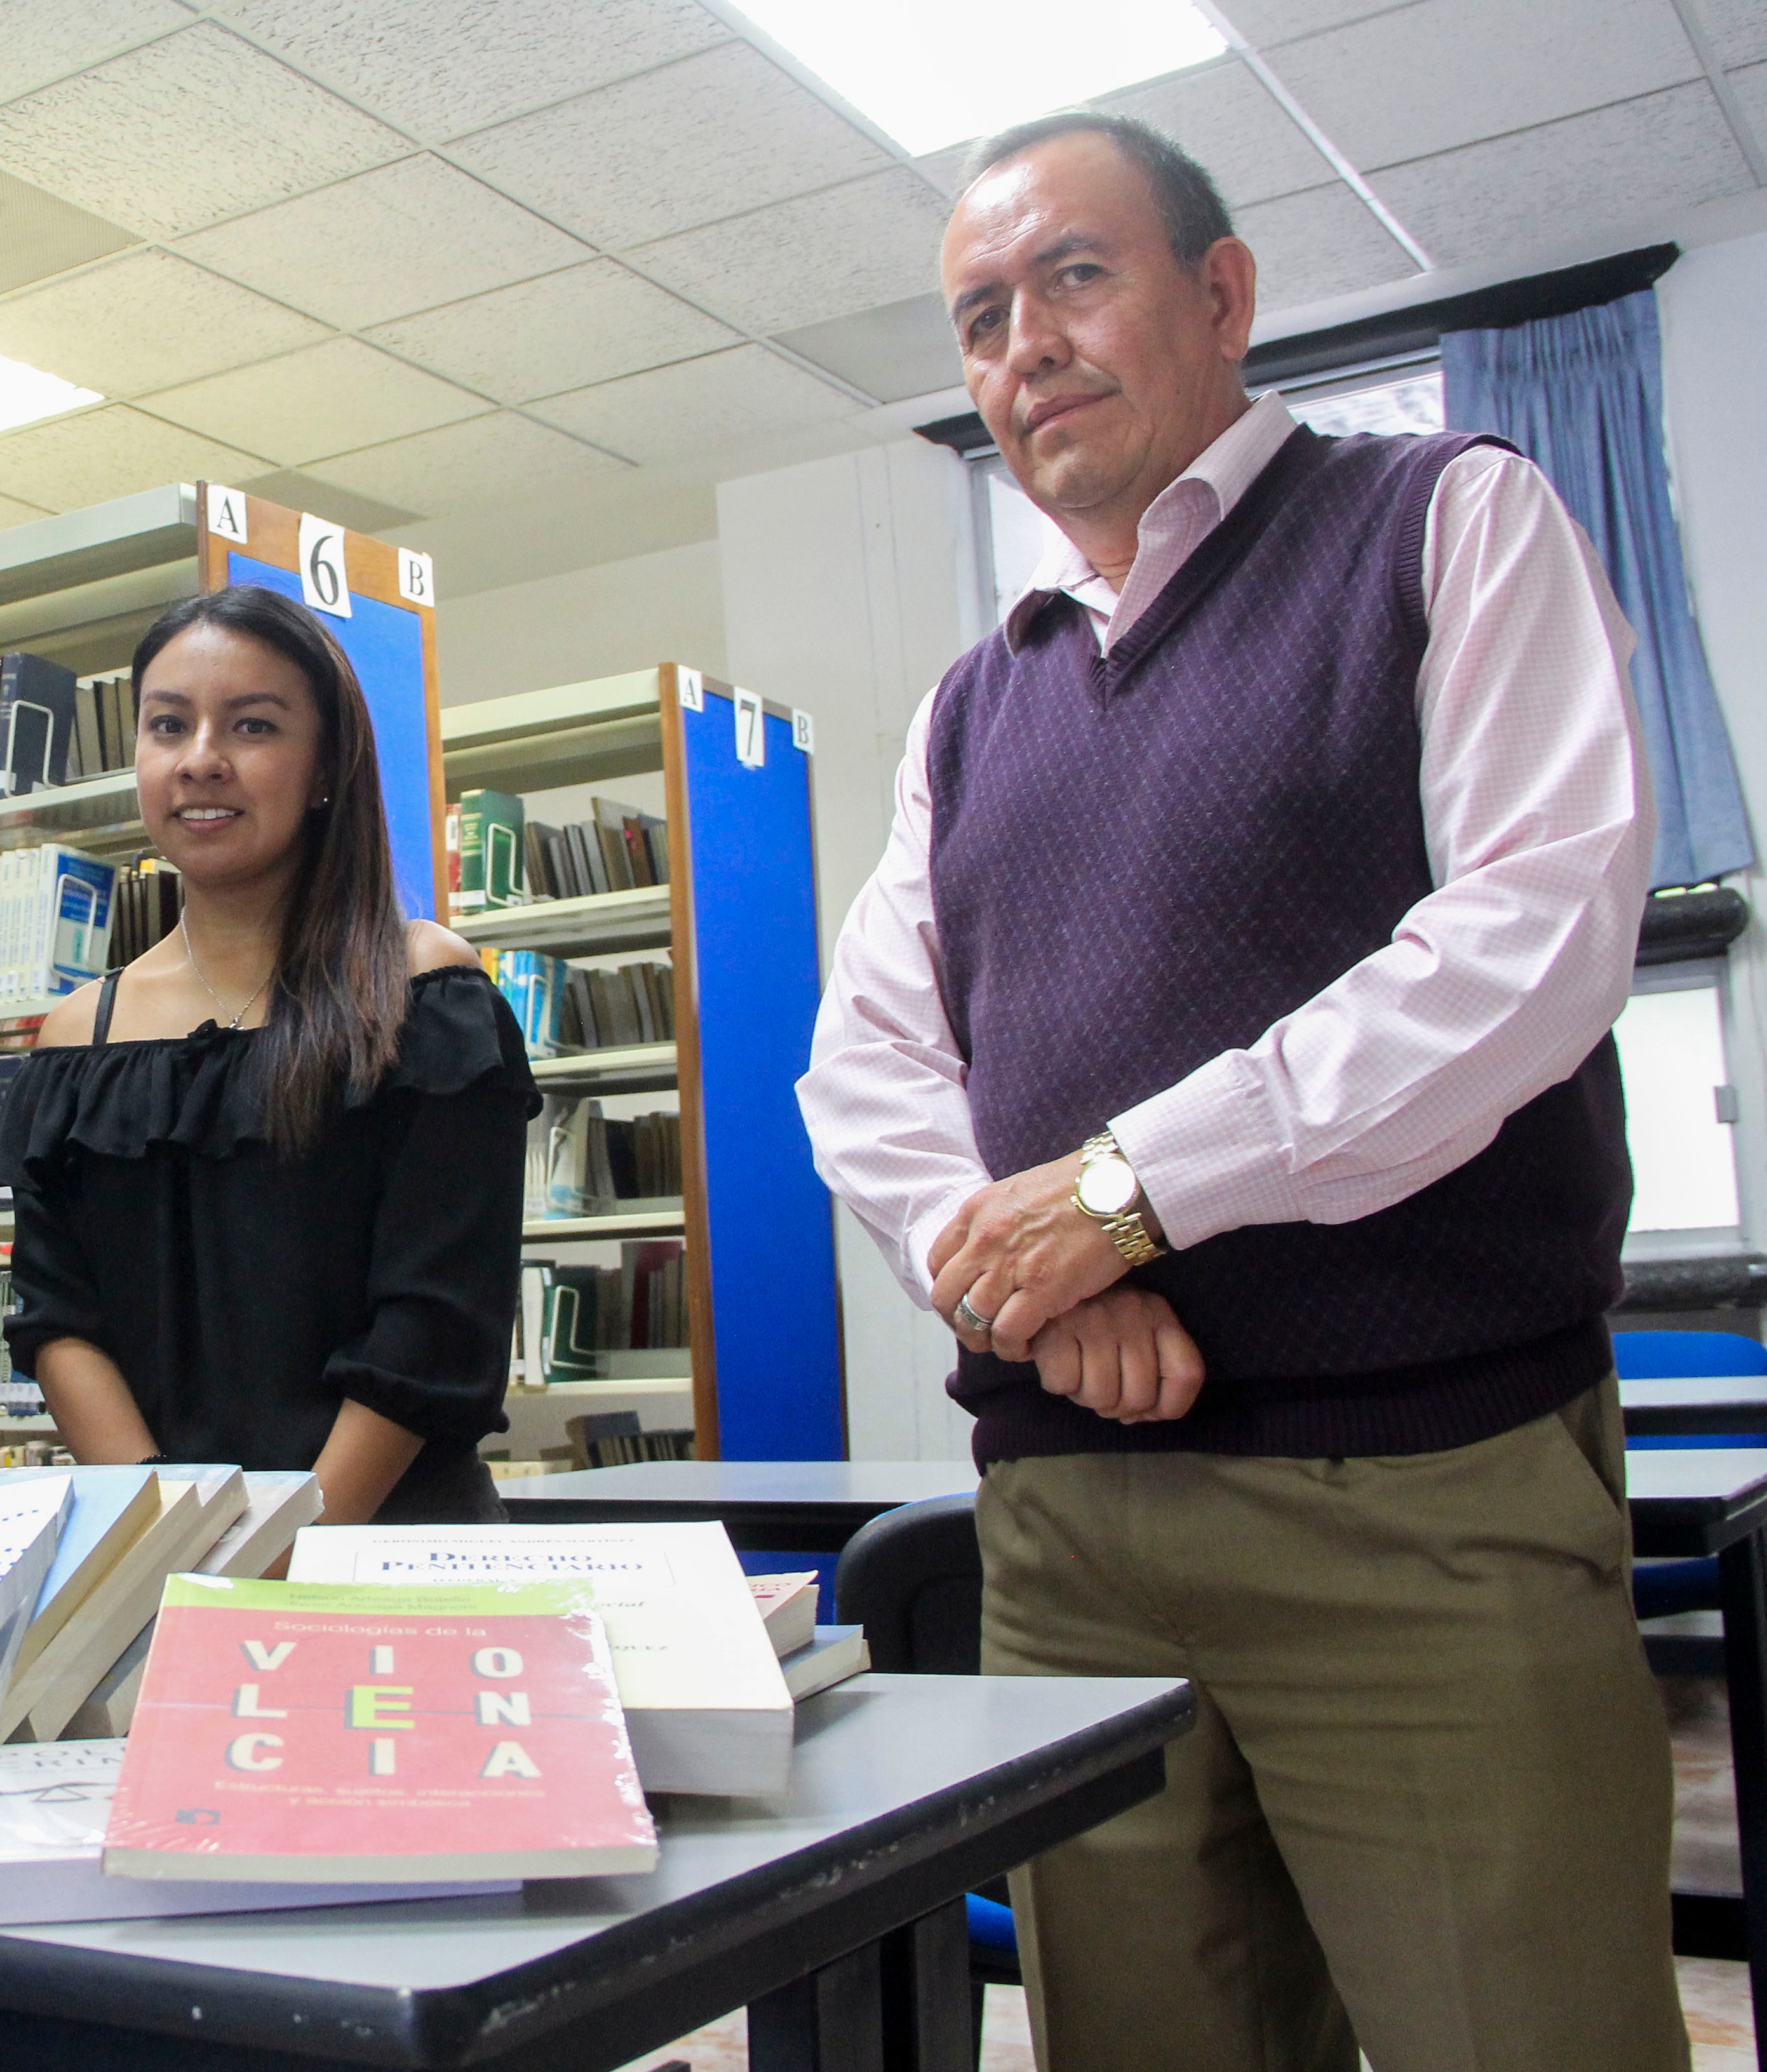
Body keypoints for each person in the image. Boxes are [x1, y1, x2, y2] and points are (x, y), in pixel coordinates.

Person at [796, 114, 1685, 2072]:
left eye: (1073, 279)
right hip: (1069, 1529)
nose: (1021, 344)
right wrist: (1034, 1266)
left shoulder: (1448, 519)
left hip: (1417, 1505)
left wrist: (1128, 1190)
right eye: (976, 318)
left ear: (1223, 295)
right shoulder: (972, 707)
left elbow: (1535, 934)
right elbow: (866, 1064)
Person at [5, 586, 534, 1529]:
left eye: (252, 726)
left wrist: (287, 1555)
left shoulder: (423, 997)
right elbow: (59, 1321)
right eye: (168, 726)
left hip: (385, 1547)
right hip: (164, 1553)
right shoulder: (77, 1039)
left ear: (326, 764)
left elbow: (434, 1320)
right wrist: (166, 1532)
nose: (201, 760)